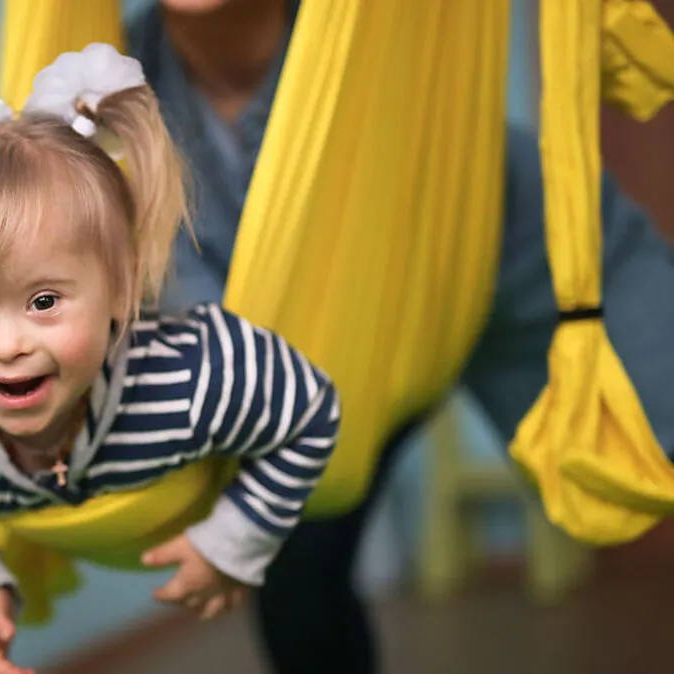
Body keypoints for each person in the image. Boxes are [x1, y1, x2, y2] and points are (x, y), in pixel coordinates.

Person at [127, 0, 674, 672]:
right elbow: (179, 294)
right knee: (295, 562)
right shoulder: (105, 81)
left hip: (498, 251)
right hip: (328, 348)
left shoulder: (376, 25)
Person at [0, 44, 342, 674]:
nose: (5, 346)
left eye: (43, 302)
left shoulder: (196, 377)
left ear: (121, 289)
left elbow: (311, 410)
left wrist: (233, 541)